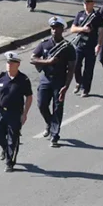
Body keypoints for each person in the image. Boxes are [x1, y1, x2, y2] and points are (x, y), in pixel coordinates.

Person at [0, 52, 33, 171]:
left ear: (18, 64)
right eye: (7, 63)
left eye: (11, 63)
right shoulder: (1, 76)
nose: (8, 65)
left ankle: (10, 162)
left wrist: (25, 114)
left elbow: (29, 97)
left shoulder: (23, 79)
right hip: (0, 111)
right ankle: (5, 148)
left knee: (13, 139)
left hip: (15, 113)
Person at [31, 17, 77, 147]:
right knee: (41, 105)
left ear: (63, 29)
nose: (54, 30)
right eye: (52, 28)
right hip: (45, 80)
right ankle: (50, 123)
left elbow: (71, 68)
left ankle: (55, 135)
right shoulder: (44, 44)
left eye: (57, 28)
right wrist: (47, 62)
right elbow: (33, 58)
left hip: (59, 81)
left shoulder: (68, 47)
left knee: (57, 108)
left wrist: (66, 86)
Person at [71, 0, 103, 98]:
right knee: (76, 66)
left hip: (91, 45)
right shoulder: (80, 14)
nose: (86, 5)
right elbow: (72, 29)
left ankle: (85, 89)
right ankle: (79, 82)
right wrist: (82, 29)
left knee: (88, 69)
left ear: (93, 4)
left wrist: (99, 44)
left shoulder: (97, 16)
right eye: (84, 3)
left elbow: (101, 31)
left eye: (88, 3)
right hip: (80, 44)